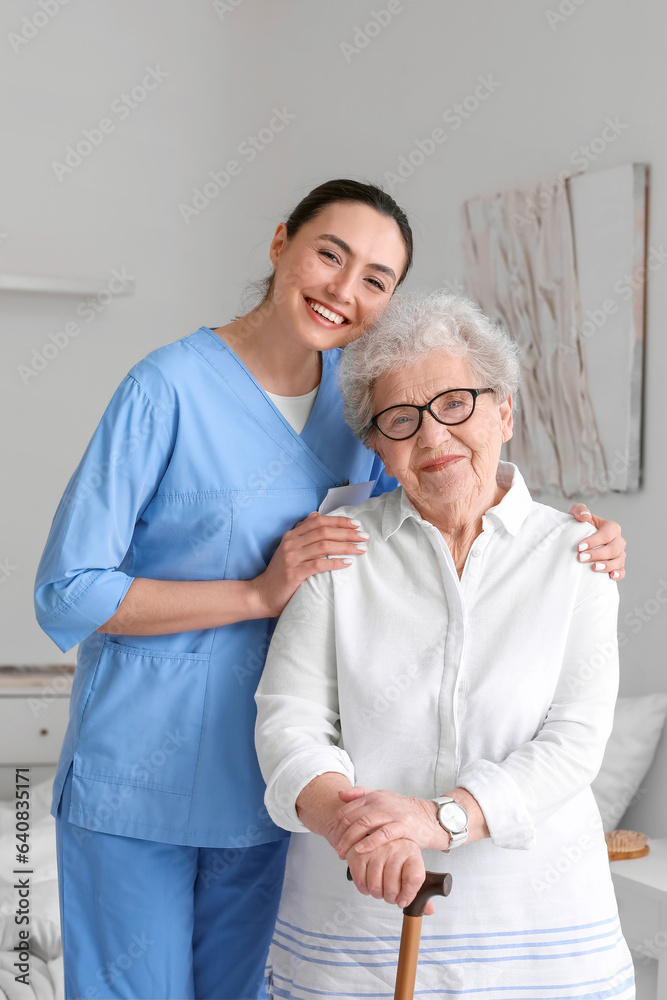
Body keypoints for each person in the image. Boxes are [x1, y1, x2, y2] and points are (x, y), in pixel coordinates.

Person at [34, 181, 627, 1000]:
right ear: (281, 244)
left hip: (278, 799)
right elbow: (67, 591)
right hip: (146, 769)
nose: (344, 291)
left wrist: (577, 537)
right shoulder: (165, 389)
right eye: (329, 254)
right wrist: (254, 594)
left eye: (377, 279)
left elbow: (447, 468)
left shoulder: (368, 399)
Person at [254, 291, 634, 1000]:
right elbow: (288, 722)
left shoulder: (577, 555)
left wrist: (435, 819)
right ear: (376, 444)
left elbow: (573, 742)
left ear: (504, 412)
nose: (432, 438)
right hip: (353, 926)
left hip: (538, 933)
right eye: (400, 419)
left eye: (455, 403)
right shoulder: (336, 547)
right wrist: (353, 826)